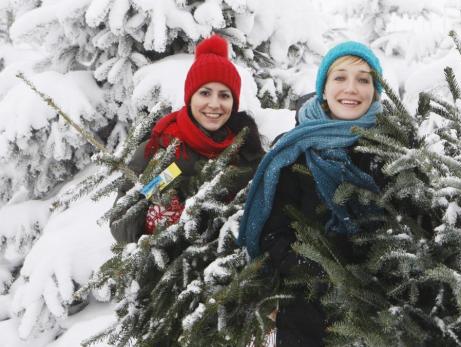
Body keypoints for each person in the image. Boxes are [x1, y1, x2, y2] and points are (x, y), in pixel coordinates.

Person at [238, 41, 386, 347]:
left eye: (363, 79)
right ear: (324, 87)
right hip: (306, 314)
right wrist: (322, 272)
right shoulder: (293, 151)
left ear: (375, 90)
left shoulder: (390, 149)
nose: (352, 88)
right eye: (340, 77)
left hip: (379, 316)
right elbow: (270, 233)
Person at [111, 34, 264, 243]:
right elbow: (120, 223)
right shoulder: (160, 148)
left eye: (224, 95)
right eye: (205, 93)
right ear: (190, 97)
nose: (214, 104)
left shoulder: (247, 151)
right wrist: (155, 220)